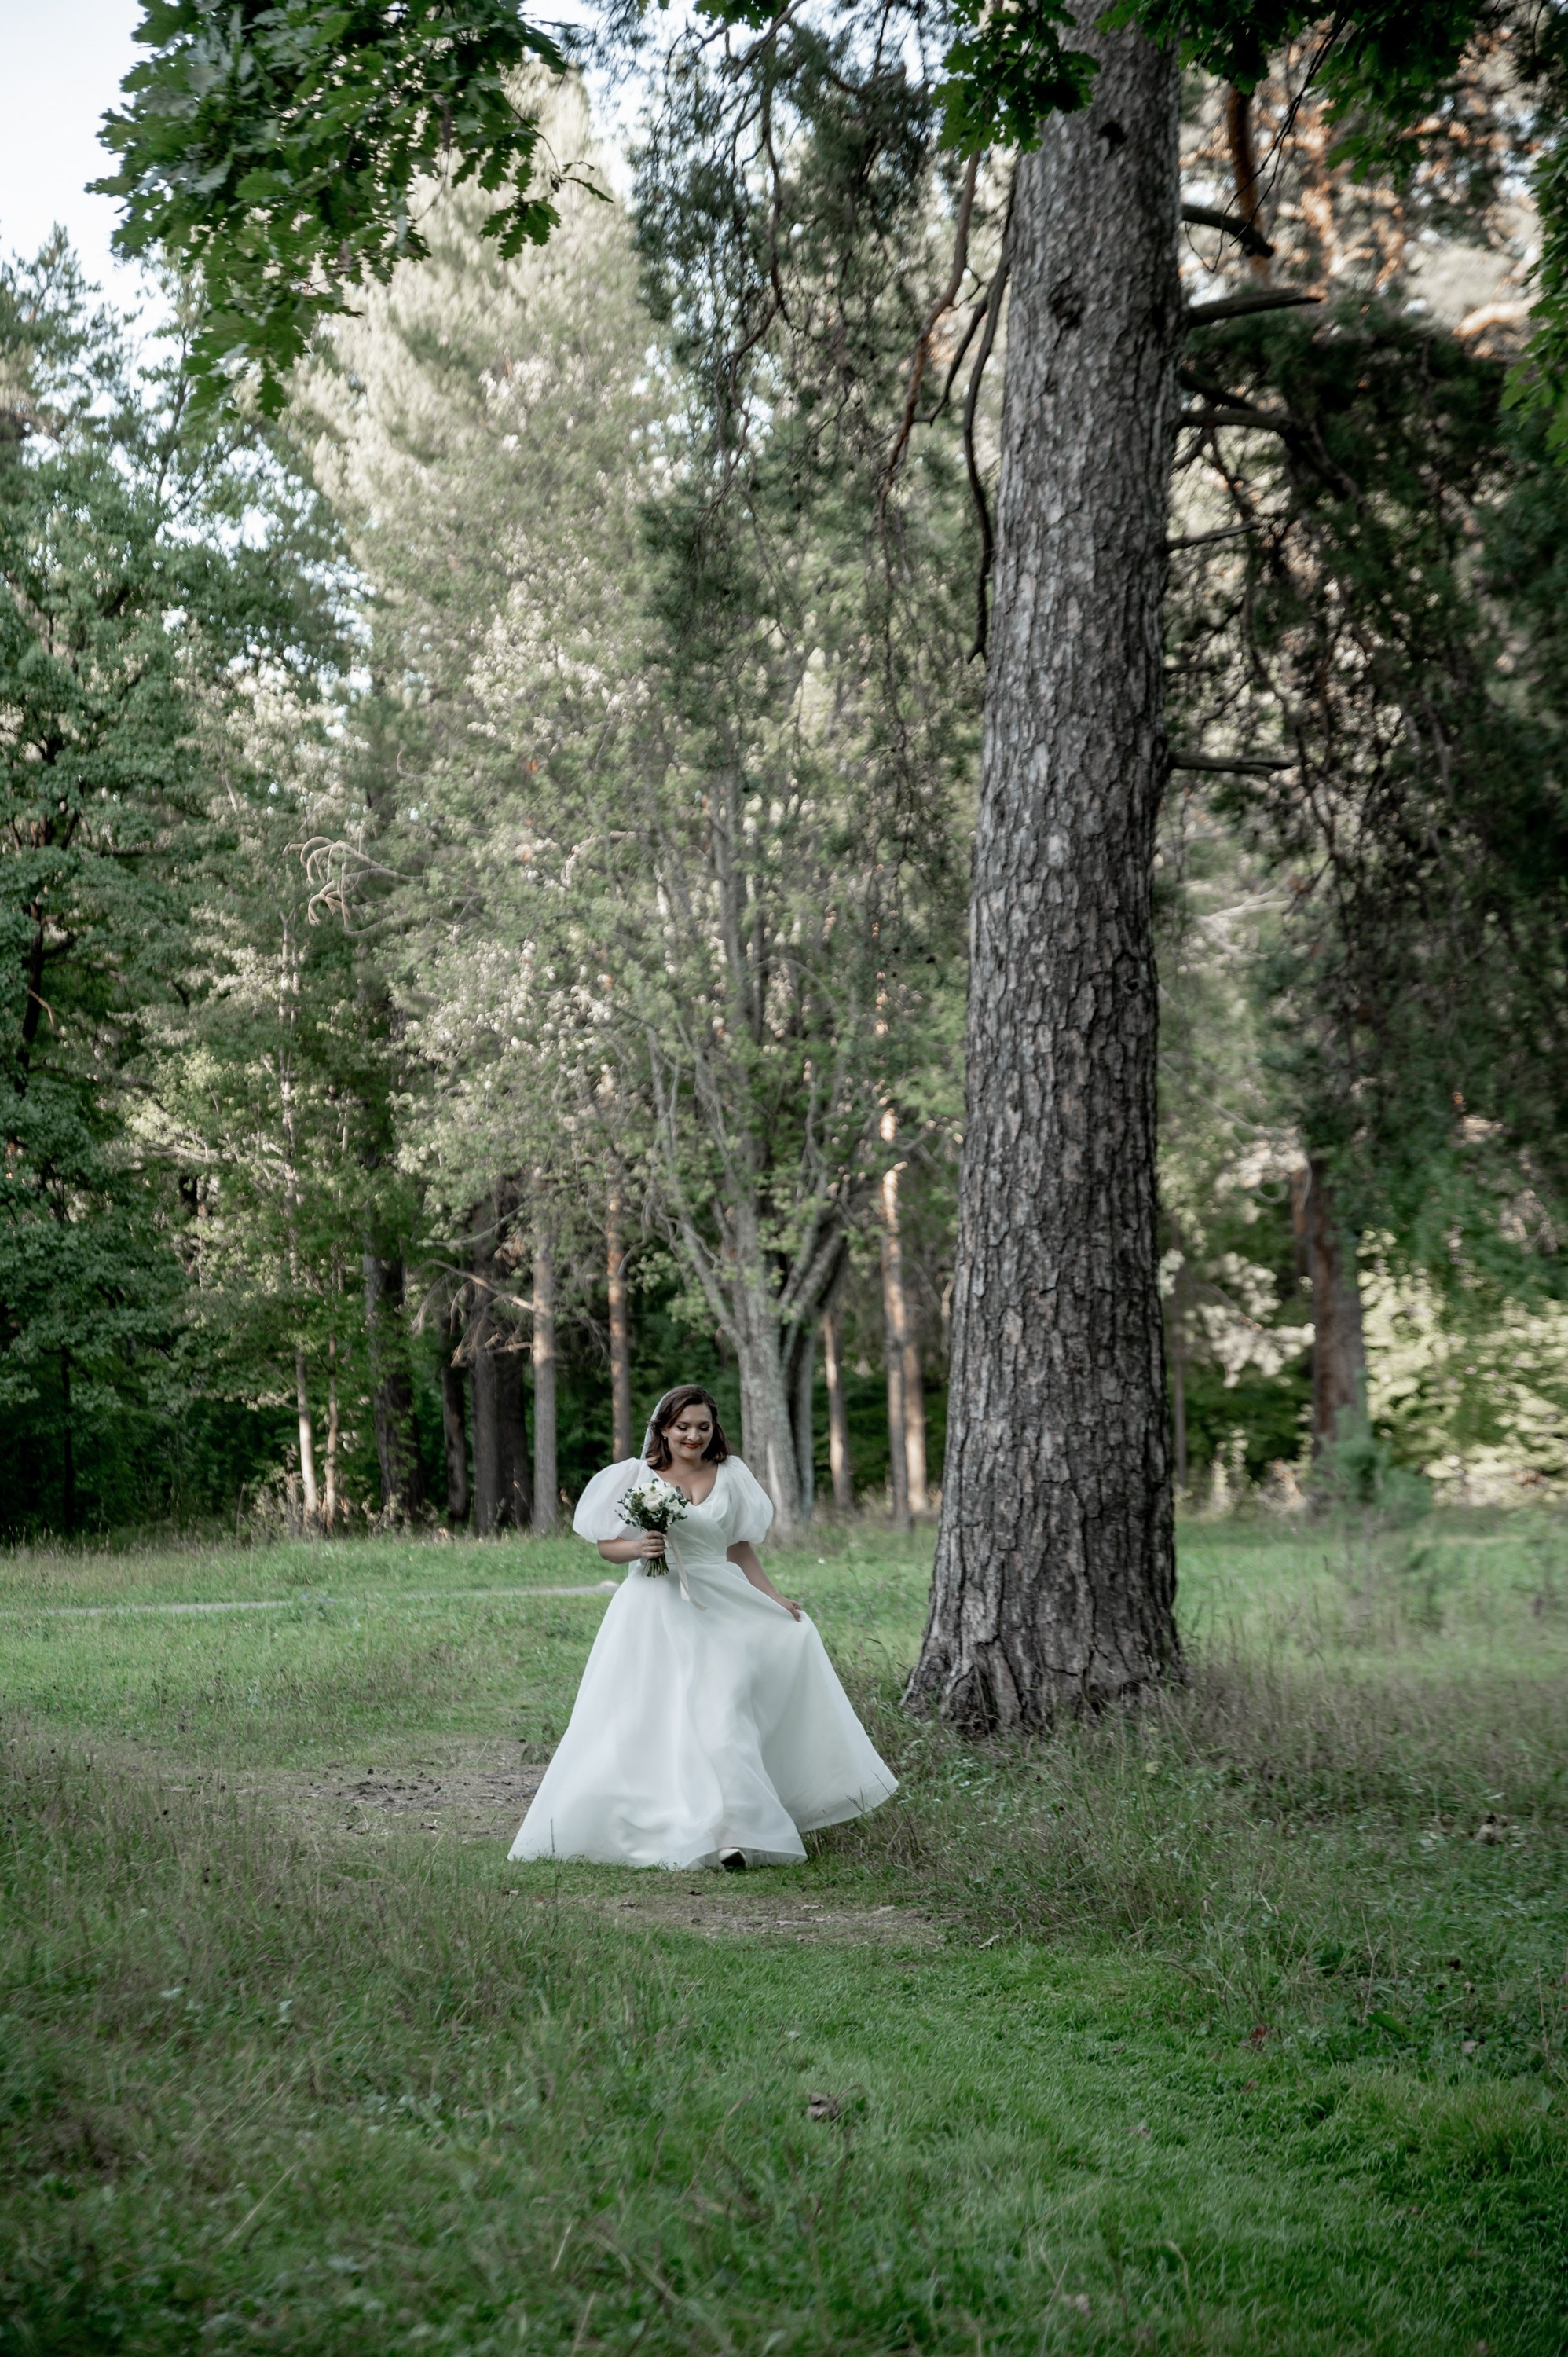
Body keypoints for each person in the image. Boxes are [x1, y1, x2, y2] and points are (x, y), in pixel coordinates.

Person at [508, 1384, 897, 1870]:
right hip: (654, 1606)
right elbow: (608, 1545)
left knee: (726, 1708)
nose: (693, 1436)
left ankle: (734, 1834)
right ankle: (654, 1820)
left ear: (714, 1430)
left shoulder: (730, 1474)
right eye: (683, 1427)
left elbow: (738, 1548)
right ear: (664, 1429)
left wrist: (772, 1598)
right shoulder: (638, 1476)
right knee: (645, 1717)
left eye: (703, 1427)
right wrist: (639, 1549)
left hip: (721, 1601)